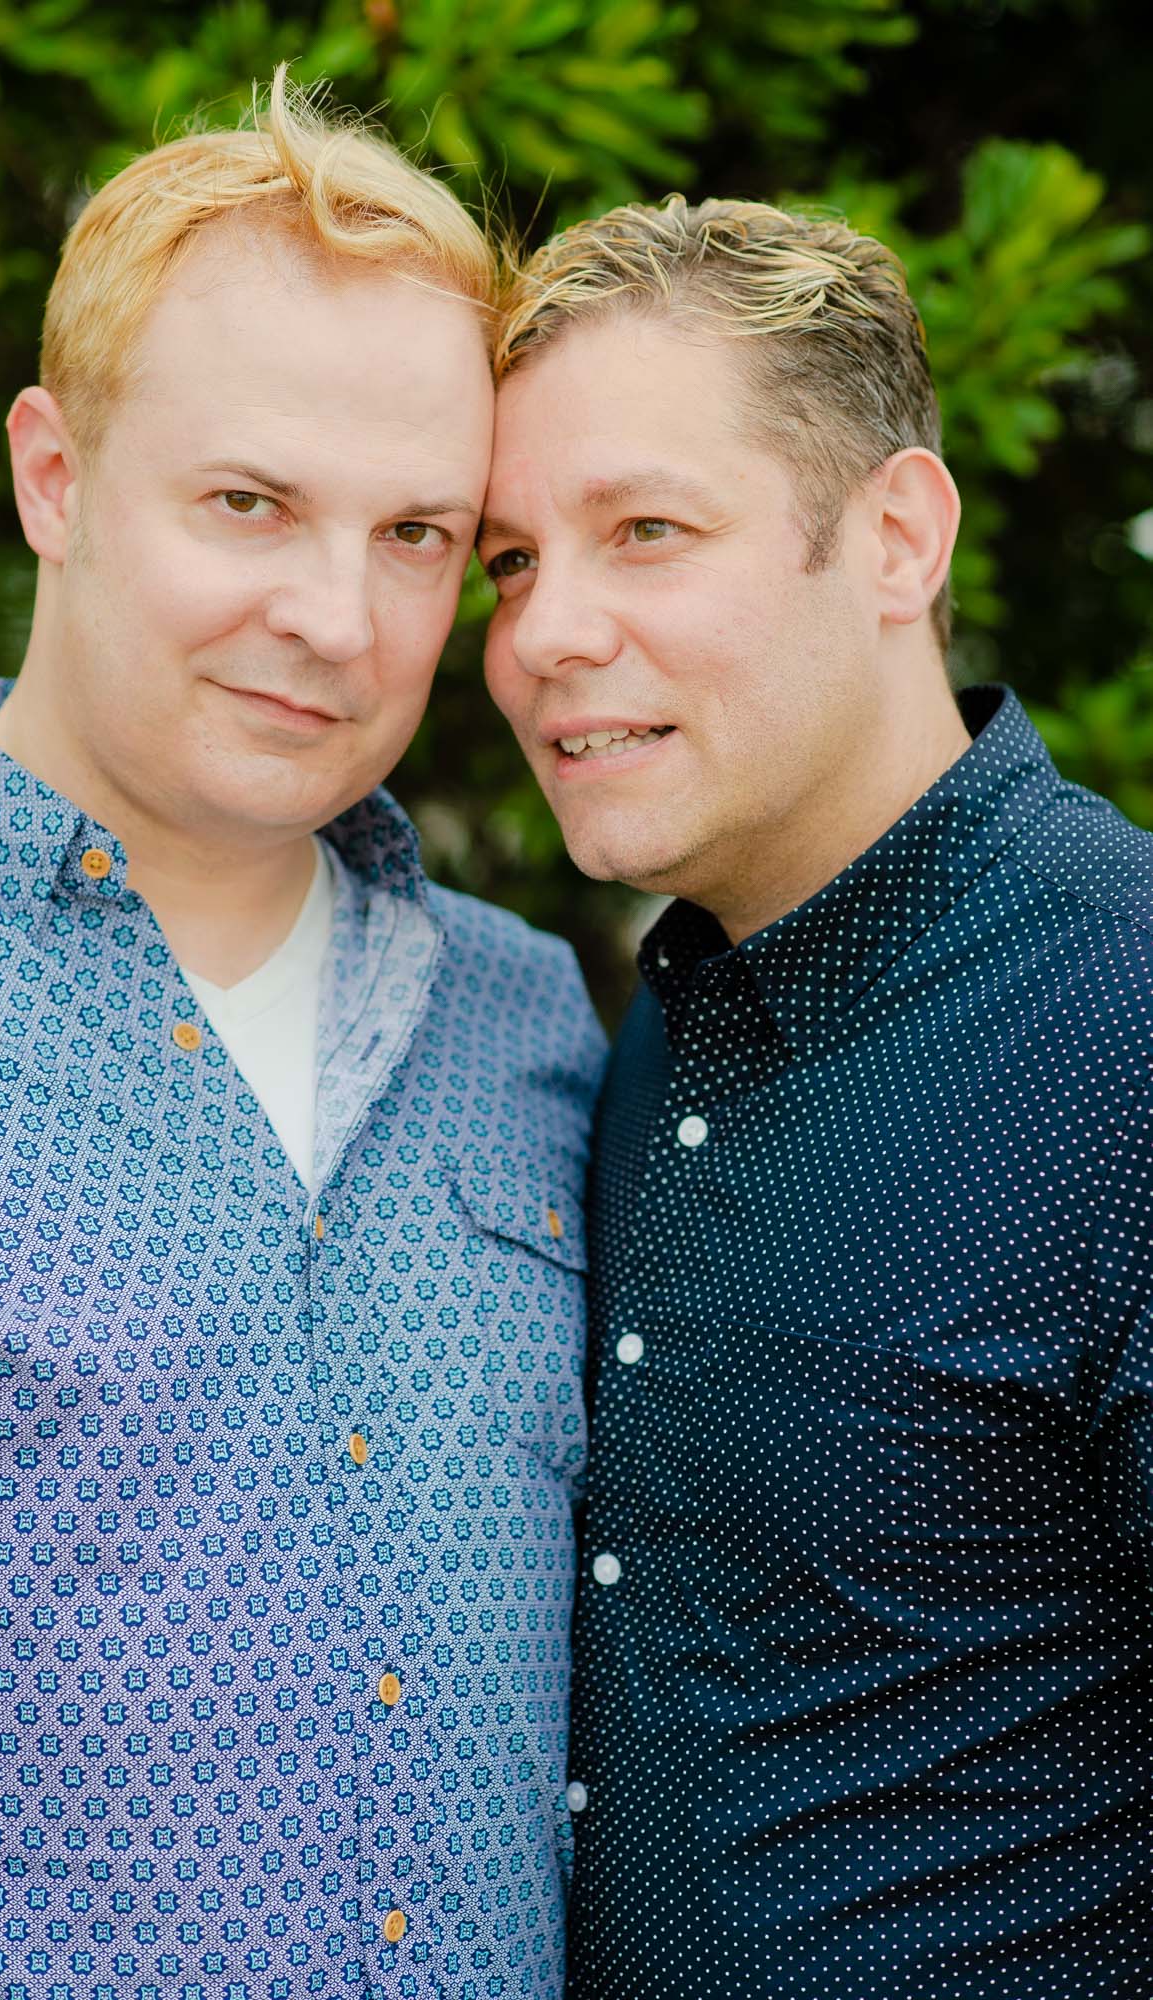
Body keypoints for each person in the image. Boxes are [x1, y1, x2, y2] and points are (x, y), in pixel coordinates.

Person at [0, 78, 604, 2000]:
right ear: (55, 475)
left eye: (417, 531)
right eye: (247, 501)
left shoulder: (536, 1019)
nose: (335, 618)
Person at [481, 194, 1153, 1998]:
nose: (547, 631)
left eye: (645, 531)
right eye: (511, 561)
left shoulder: (1128, 1029)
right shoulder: (645, 1029)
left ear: (896, 537)